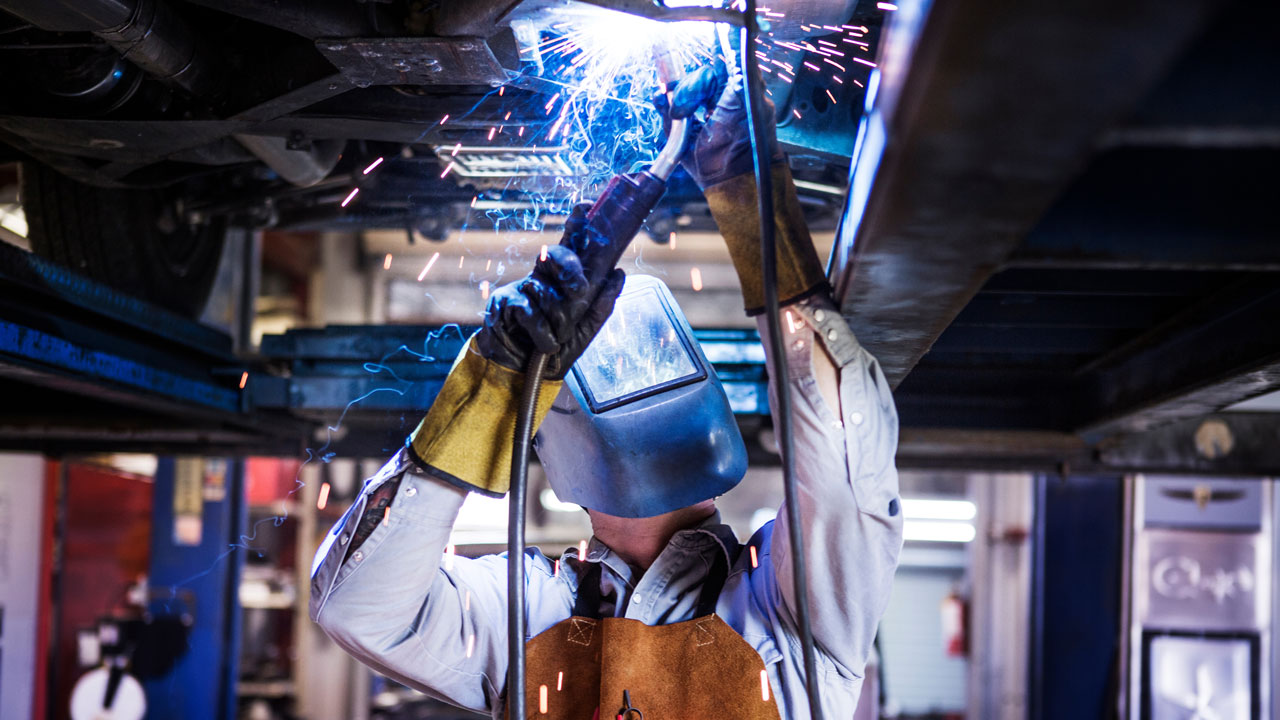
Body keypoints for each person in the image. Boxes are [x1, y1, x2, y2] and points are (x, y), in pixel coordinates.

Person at [310, 60, 904, 719]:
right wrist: (489, 386)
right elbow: (357, 607)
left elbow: (843, 448)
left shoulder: (780, 605)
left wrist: (743, 190)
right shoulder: (529, 610)